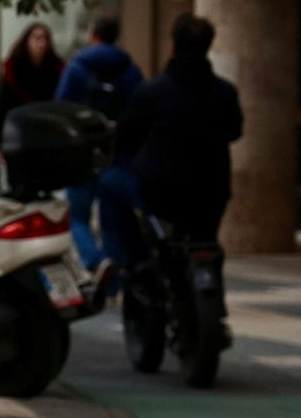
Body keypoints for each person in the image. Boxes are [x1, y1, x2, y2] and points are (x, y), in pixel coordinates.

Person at [98, 14, 243, 274]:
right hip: (212, 189)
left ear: (174, 46)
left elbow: (126, 134)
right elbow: (234, 131)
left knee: (110, 184)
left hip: (161, 190)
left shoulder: (152, 92)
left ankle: (131, 262)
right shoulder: (225, 93)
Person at [55, 13, 144, 270]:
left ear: (93, 35)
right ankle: (113, 277)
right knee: (112, 218)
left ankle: (95, 260)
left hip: (82, 154)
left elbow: (61, 107)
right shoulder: (131, 71)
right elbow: (140, 111)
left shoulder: (77, 68)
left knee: (77, 217)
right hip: (118, 155)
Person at [0, 22, 64, 145]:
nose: (42, 44)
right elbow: (3, 106)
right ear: (27, 41)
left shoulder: (56, 69)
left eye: (45, 39)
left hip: (49, 131)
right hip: (20, 130)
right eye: (37, 38)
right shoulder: (13, 69)